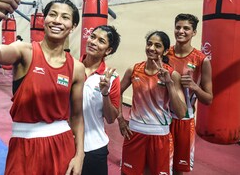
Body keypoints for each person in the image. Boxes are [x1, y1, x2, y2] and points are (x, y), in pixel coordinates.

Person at [0, 0, 85, 175]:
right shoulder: (26, 51)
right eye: (53, 14)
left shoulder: (77, 68)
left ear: (72, 27)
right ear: (44, 19)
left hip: (62, 144)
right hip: (24, 146)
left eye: (65, 17)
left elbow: (77, 116)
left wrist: (80, 154)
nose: (57, 21)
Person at [117, 31, 187, 175]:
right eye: (149, 44)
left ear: (166, 50)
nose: (152, 48)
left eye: (157, 45)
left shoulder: (172, 75)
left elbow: (181, 113)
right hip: (134, 133)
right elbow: (117, 92)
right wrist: (120, 119)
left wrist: (169, 83)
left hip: (160, 135)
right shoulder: (134, 70)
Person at [168, 14, 213, 175]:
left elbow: (208, 99)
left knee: (179, 169)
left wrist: (195, 87)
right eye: (178, 27)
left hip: (184, 122)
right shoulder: (164, 54)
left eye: (186, 28)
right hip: (162, 118)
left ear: (194, 32)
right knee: (160, 165)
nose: (181, 31)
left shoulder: (201, 60)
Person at [80, 25, 121, 175]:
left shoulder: (112, 78)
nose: (93, 42)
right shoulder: (70, 67)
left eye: (101, 41)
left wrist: (105, 94)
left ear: (108, 50)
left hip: (94, 147)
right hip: (66, 143)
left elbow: (110, 119)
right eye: (92, 36)